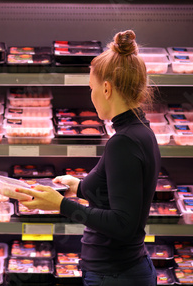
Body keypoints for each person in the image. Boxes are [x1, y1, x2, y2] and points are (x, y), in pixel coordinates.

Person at [15, 30, 161, 286]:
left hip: (116, 276)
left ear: (106, 88)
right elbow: (122, 197)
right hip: (121, 271)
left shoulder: (123, 142)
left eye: (91, 88)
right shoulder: (140, 131)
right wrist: (79, 187)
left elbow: (123, 224)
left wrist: (61, 205)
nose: (90, 96)